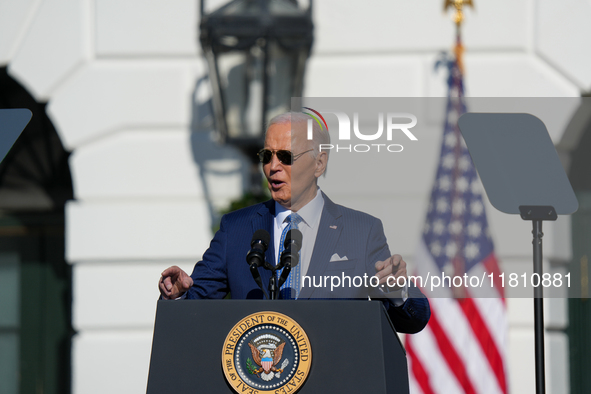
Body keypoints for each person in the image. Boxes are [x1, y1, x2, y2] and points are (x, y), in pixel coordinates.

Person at [159, 112, 430, 334]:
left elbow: (413, 320)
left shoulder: (361, 230)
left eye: (286, 157)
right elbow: (193, 308)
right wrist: (177, 295)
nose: (273, 167)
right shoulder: (236, 228)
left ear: (319, 164)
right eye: (267, 156)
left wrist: (397, 291)